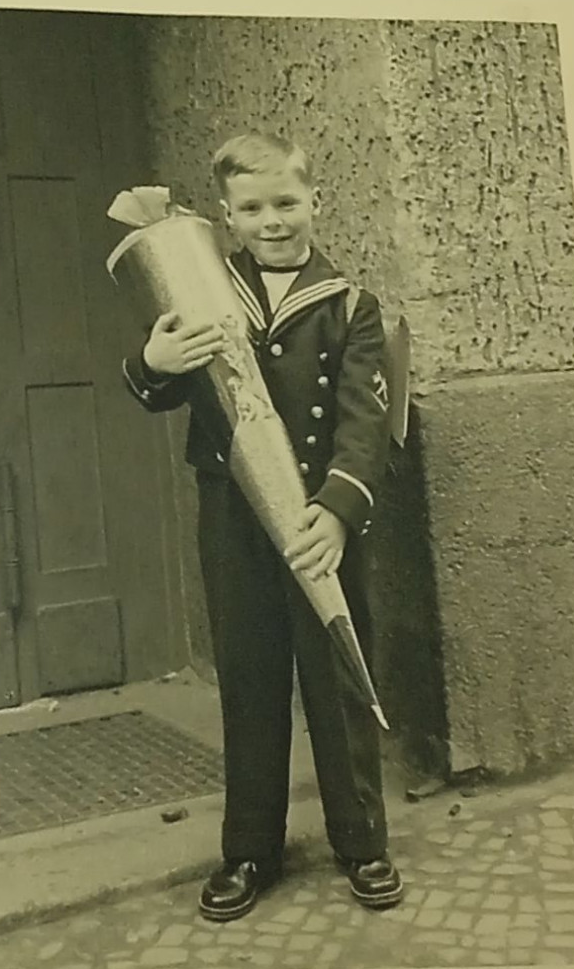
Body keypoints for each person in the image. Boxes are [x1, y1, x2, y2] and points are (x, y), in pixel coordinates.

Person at [122, 131, 402, 921]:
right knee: (249, 678)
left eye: (286, 202)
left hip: (320, 520)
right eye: (252, 208)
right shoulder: (201, 289)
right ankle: (250, 848)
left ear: (315, 200)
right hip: (235, 520)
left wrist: (340, 510)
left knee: (337, 676)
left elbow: (365, 422)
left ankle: (362, 839)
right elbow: (159, 390)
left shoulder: (350, 305)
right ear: (226, 217)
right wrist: (155, 358)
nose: (272, 221)